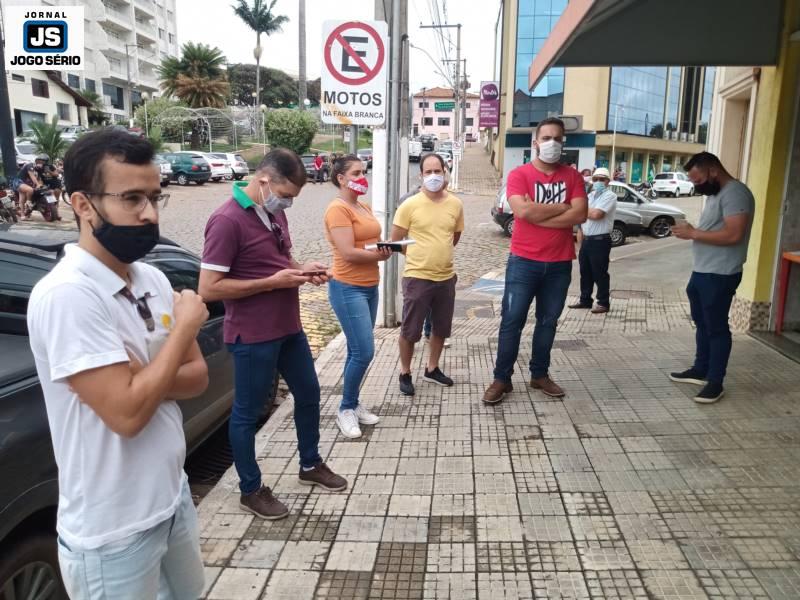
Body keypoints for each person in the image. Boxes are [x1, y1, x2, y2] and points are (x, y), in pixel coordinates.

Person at [27, 128, 208, 599]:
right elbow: (127, 415)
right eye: (131, 198)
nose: (149, 214)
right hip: (113, 533)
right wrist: (184, 330)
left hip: (171, 498)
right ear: (83, 205)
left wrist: (140, 377)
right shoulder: (68, 295)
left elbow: (197, 377)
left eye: (154, 197)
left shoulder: (151, 278)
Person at [198, 148, 347, 521]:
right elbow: (209, 288)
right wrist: (272, 282)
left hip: (288, 327)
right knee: (247, 414)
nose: (288, 203)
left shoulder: (274, 212)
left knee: (309, 394)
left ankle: (310, 464)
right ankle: (250, 489)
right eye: (285, 195)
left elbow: (282, 262)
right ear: (263, 180)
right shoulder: (226, 220)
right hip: (252, 335)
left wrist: (302, 269)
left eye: (293, 197)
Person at [482, 117, 588, 405]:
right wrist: (562, 207)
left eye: (557, 138)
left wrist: (538, 213)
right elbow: (522, 213)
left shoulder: (573, 177)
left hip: (559, 263)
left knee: (548, 322)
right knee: (511, 321)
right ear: (535, 142)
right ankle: (502, 379)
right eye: (546, 138)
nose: (552, 143)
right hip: (523, 262)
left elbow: (580, 214)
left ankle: (539, 374)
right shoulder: (519, 175)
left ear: (563, 142)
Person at [670, 151, 755, 404]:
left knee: (716, 328)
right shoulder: (716, 194)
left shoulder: (735, 193)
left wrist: (693, 233)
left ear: (713, 171)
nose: (697, 186)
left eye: (699, 180)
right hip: (703, 271)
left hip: (720, 273)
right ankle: (701, 369)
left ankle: (715, 382)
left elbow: (734, 235)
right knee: (702, 323)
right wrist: (691, 232)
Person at [324, 154, 391, 438]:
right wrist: (379, 255)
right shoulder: (337, 209)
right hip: (347, 287)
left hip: (369, 285)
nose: (362, 177)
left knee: (356, 350)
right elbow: (349, 252)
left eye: (363, 172)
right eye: (356, 173)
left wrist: (385, 248)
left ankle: (353, 402)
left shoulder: (362, 206)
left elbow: (368, 242)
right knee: (364, 351)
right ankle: (345, 409)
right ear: (341, 178)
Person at [391, 152, 464, 396]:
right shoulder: (409, 205)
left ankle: (432, 368)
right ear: (421, 175)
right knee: (410, 330)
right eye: (428, 172)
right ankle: (405, 372)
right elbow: (396, 240)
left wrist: (438, 251)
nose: (433, 176)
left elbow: (454, 236)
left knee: (441, 328)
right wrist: (418, 255)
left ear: (444, 172)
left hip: (446, 277)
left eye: (437, 171)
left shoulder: (455, 204)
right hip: (417, 277)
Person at [569, 167, 617, 314]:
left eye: (602, 179)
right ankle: (585, 300)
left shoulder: (610, 196)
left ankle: (603, 302)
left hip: (600, 241)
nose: (598, 182)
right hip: (587, 239)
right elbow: (581, 217)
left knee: (599, 272)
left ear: (608, 181)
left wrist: (582, 210)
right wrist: (580, 244)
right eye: (596, 179)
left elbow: (597, 215)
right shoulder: (590, 196)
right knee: (585, 272)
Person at [12, 153, 47, 218]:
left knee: (22, 199)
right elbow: (32, 176)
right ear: (36, 160)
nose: (42, 163)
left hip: (26, 184)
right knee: (30, 190)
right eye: (41, 161)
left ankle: (22, 215)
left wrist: (40, 185)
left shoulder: (39, 169)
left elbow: (39, 179)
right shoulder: (30, 165)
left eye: (44, 161)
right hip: (19, 182)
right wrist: (38, 184)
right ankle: (28, 203)